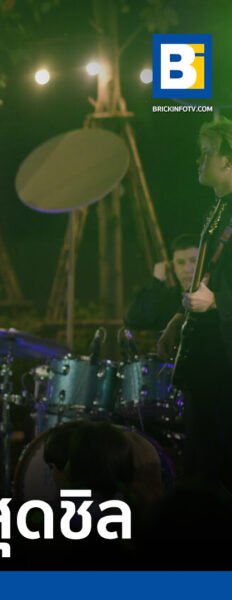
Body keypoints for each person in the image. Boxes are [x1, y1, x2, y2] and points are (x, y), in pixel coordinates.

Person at [159, 118, 232, 488]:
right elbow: (208, 275)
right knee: (201, 459)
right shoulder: (219, 208)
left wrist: (217, 303)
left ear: (228, 160)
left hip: (223, 361)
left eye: (207, 153)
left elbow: (216, 290)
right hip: (207, 356)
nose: (199, 161)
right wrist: (180, 316)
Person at [124, 233, 198, 331]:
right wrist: (156, 281)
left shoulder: (212, 298)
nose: (187, 269)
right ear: (172, 266)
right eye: (180, 263)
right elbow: (133, 320)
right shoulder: (167, 299)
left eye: (193, 261)